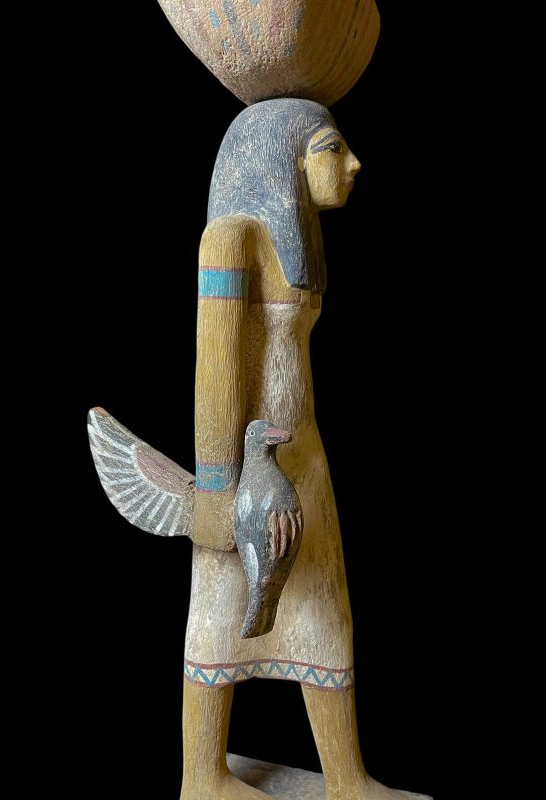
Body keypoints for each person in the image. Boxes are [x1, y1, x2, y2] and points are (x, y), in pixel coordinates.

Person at [182, 99, 412, 800]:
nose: (353, 163)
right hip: (245, 473)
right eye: (332, 147)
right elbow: (216, 371)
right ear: (280, 159)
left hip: (303, 459)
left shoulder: (292, 241)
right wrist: (217, 488)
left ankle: (345, 778)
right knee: (222, 609)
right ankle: (202, 776)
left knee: (324, 610)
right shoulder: (229, 240)